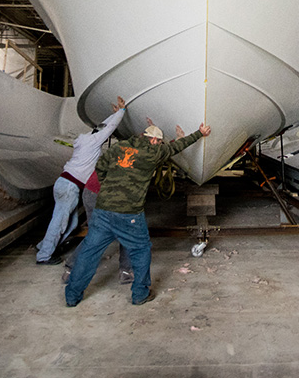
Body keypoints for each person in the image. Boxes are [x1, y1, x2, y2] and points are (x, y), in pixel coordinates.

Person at [64, 120, 210, 306]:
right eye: (158, 142)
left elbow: (100, 168)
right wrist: (199, 133)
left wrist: (112, 188)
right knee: (141, 250)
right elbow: (177, 147)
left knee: (90, 252)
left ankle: (72, 296)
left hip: (103, 209)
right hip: (129, 213)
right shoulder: (152, 153)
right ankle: (140, 294)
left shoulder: (119, 148)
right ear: (155, 141)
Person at [35, 96, 126, 264]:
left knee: (71, 222)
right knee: (61, 221)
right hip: (70, 187)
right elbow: (109, 129)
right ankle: (44, 256)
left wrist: (112, 115)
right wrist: (121, 111)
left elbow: (103, 128)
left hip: (64, 183)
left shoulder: (84, 140)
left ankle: (44, 246)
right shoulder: (93, 142)